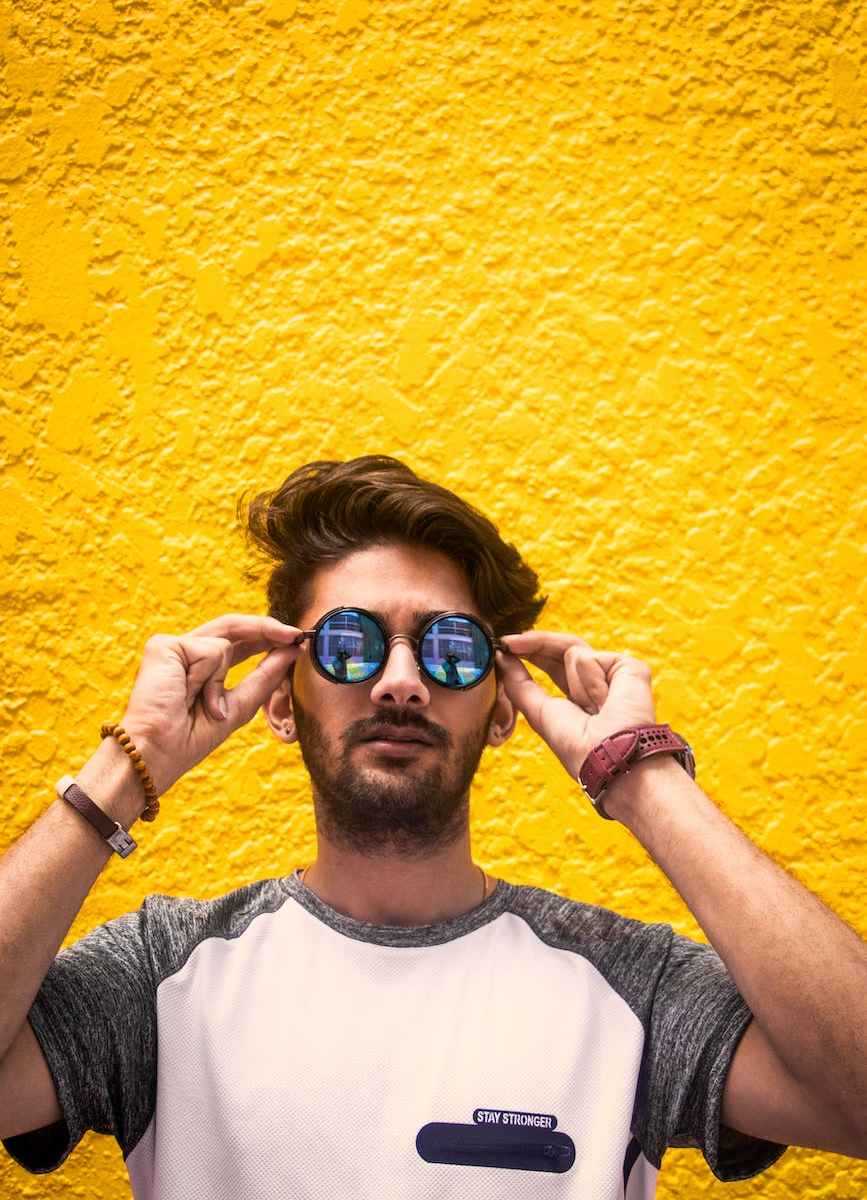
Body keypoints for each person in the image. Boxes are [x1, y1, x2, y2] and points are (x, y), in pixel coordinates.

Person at [0, 455, 865, 1200]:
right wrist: (129, 765)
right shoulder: (163, 975)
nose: (400, 682)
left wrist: (639, 776)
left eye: (451, 648)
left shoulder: (626, 986)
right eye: (349, 642)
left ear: (502, 709)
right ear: (281, 703)